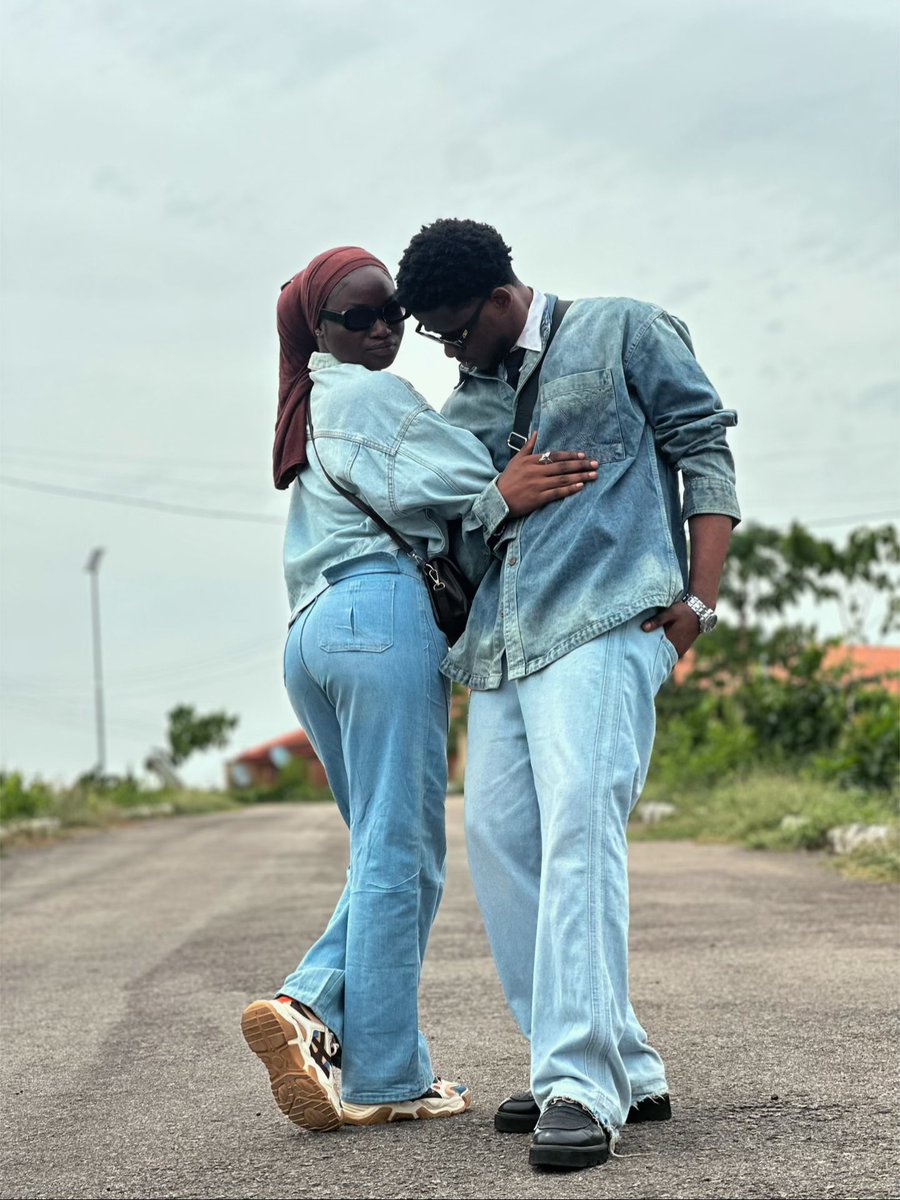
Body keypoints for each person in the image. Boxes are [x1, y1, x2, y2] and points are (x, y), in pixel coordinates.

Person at [395, 218, 741, 1171]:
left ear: (505, 298)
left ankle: (580, 1083)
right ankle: (616, 1057)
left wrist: (698, 603)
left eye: (457, 331)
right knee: (501, 844)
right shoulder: (467, 405)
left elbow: (703, 450)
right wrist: (500, 496)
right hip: (505, 645)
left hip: (607, 617)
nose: (451, 352)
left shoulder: (623, 329)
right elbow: (457, 537)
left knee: (583, 825)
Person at [241, 246, 598, 1133]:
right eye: (355, 319)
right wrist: (514, 483)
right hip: (379, 621)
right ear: (314, 331)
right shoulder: (369, 395)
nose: (381, 331)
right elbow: (475, 486)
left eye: (391, 314)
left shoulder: (312, 407)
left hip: (312, 635)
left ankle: (341, 1027)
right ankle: (373, 1061)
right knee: (404, 856)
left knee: (383, 850)